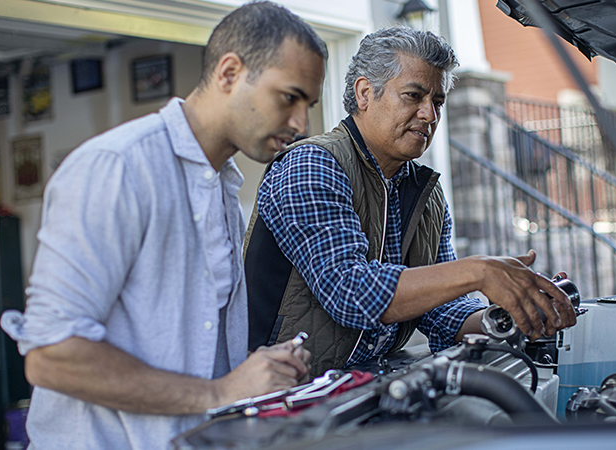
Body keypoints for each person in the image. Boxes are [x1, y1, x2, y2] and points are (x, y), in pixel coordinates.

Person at [0, 2, 327, 449]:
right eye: (289, 97)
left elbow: (179, 349)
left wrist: (250, 371)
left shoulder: (222, 186)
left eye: (307, 104)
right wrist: (222, 391)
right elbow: (51, 358)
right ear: (229, 73)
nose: (300, 123)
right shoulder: (116, 168)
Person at [244, 26, 577, 377]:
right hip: (281, 399)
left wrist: (512, 315)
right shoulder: (312, 164)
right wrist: (479, 271)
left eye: (437, 102)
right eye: (413, 96)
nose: (429, 115)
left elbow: (442, 313)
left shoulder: (427, 193)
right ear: (364, 93)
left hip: (365, 392)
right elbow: (350, 292)